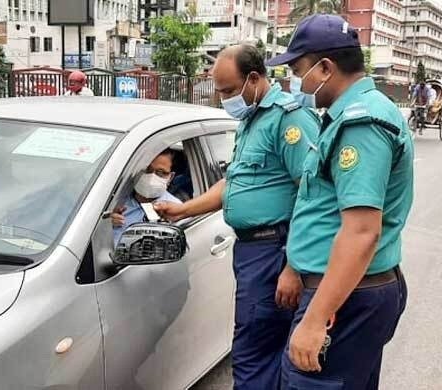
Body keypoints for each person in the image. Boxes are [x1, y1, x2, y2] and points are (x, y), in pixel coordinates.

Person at [155, 44, 319, 390]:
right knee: (259, 349)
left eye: (229, 90)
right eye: (219, 91)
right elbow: (234, 182)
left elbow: (313, 195)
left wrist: (293, 265)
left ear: (255, 78)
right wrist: (184, 209)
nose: (224, 99)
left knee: (252, 352)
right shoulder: (251, 119)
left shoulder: (289, 118)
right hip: (252, 252)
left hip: (275, 249)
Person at [265, 14, 414, 389]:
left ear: (326, 67)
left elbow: (362, 232)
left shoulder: (360, 124)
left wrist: (315, 319)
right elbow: (325, 210)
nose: (296, 82)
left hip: (347, 298)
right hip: (345, 291)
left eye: (299, 70)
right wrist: (297, 267)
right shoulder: (347, 115)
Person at [111, 149, 181, 245]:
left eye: (160, 172)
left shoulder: (176, 210)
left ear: (170, 177)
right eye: (146, 169)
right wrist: (106, 225)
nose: (151, 177)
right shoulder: (114, 202)